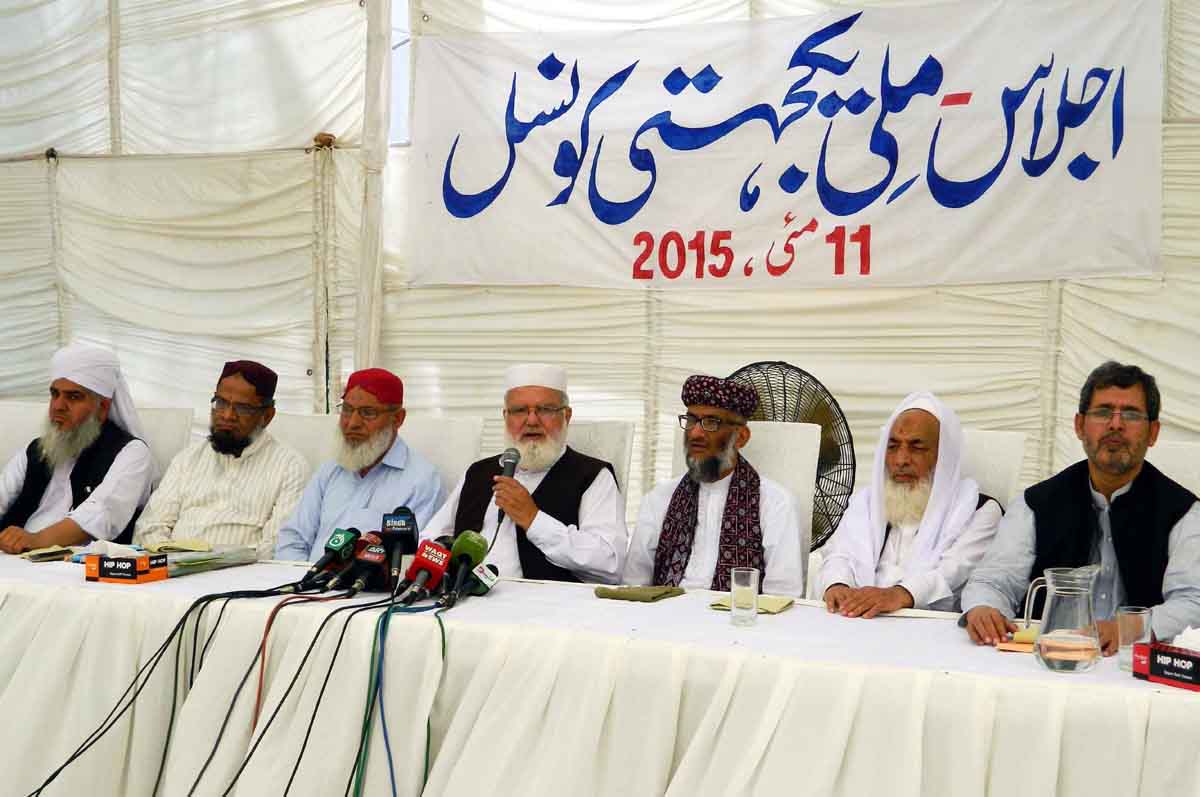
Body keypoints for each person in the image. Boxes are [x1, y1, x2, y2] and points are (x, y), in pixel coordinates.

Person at [962, 361, 1200, 652]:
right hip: (1046, 660)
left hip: (1134, 664)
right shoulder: (1035, 504)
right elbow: (993, 581)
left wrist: (1130, 627)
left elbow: (1193, 602)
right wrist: (984, 607)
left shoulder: (1184, 512)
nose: (1115, 424)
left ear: (1153, 433)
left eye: (1131, 414)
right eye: (1102, 412)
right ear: (1079, 426)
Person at [422, 364, 627, 583]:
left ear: (566, 416)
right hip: (466, 602)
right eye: (519, 410)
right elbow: (431, 539)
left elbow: (610, 564)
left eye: (545, 409)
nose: (531, 420)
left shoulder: (593, 476)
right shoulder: (478, 472)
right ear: (505, 416)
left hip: (549, 609)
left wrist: (534, 520)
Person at [818, 392, 1002, 615]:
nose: (901, 460)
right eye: (893, 446)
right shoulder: (866, 501)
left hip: (930, 629)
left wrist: (897, 595)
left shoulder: (979, 510)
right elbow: (839, 553)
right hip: (859, 620)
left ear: (943, 455)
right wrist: (838, 585)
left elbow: (951, 573)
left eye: (917, 447)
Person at [624, 374, 804, 595]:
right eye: (691, 420)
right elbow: (633, 584)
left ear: (741, 437)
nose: (696, 433)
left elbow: (782, 595)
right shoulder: (660, 498)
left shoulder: (775, 503)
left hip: (739, 623)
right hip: (662, 619)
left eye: (711, 422)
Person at [134, 361, 308, 559]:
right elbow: (150, 526)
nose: (227, 415)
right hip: (171, 572)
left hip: (239, 579)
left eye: (242, 408)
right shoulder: (189, 458)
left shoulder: (289, 467)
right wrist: (170, 560)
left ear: (267, 416)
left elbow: (278, 544)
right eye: (221, 403)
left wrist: (215, 564)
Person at [275, 368, 444, 561]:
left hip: (368, 588)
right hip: (303, 582)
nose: (352, 423)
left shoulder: (422, 481)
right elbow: (293, 538)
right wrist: (296, 581)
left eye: (367, 413)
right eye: (347, 410)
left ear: (397, 419)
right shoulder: (330, 470)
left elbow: (408, 559)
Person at [0, 343, 155, 552]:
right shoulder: (37, 450)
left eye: (73, 397)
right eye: (55, 394)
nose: (58, 406)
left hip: (82, 571)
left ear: (102, 407)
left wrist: (35, 540)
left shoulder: (132, 453)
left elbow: (100, 515)